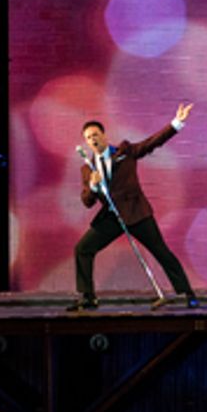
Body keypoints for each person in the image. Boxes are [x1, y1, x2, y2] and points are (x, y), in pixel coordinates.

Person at [70, 103, 198, 311]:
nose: (92, 140)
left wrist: (177, 123)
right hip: (112, 217)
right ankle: (88, 297)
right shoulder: (88, 169)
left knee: (161, 252)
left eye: (95, 135)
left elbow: (150, 143)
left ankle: (187, 294)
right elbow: (87, 202)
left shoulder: (124, 152)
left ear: (103, 135)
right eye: (88, 138)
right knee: (83, 249)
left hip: (136, 213)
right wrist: (93, 185)